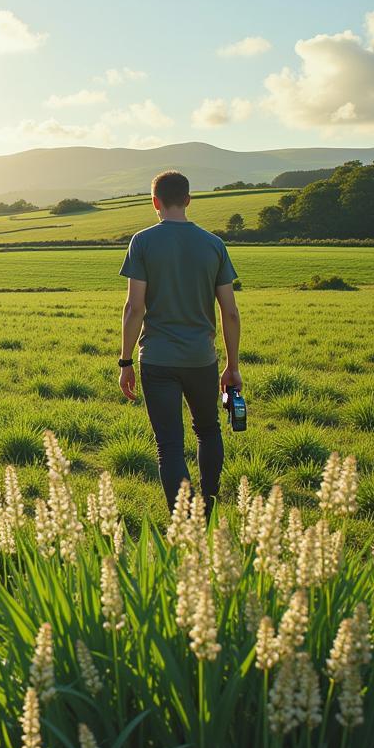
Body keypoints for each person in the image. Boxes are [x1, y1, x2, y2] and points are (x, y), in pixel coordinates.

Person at [117, 170, 241, 517]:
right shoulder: (214, 244)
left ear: (154, 202)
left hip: (157, 359)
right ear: (188, 200)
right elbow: (229, 312)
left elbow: (135, 307)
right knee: (208, 429)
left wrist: (125, 362)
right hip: (202, 359)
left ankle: (184, 521)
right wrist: (232, 366)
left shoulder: (142, 241)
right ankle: (210, 505)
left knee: (169, 446)